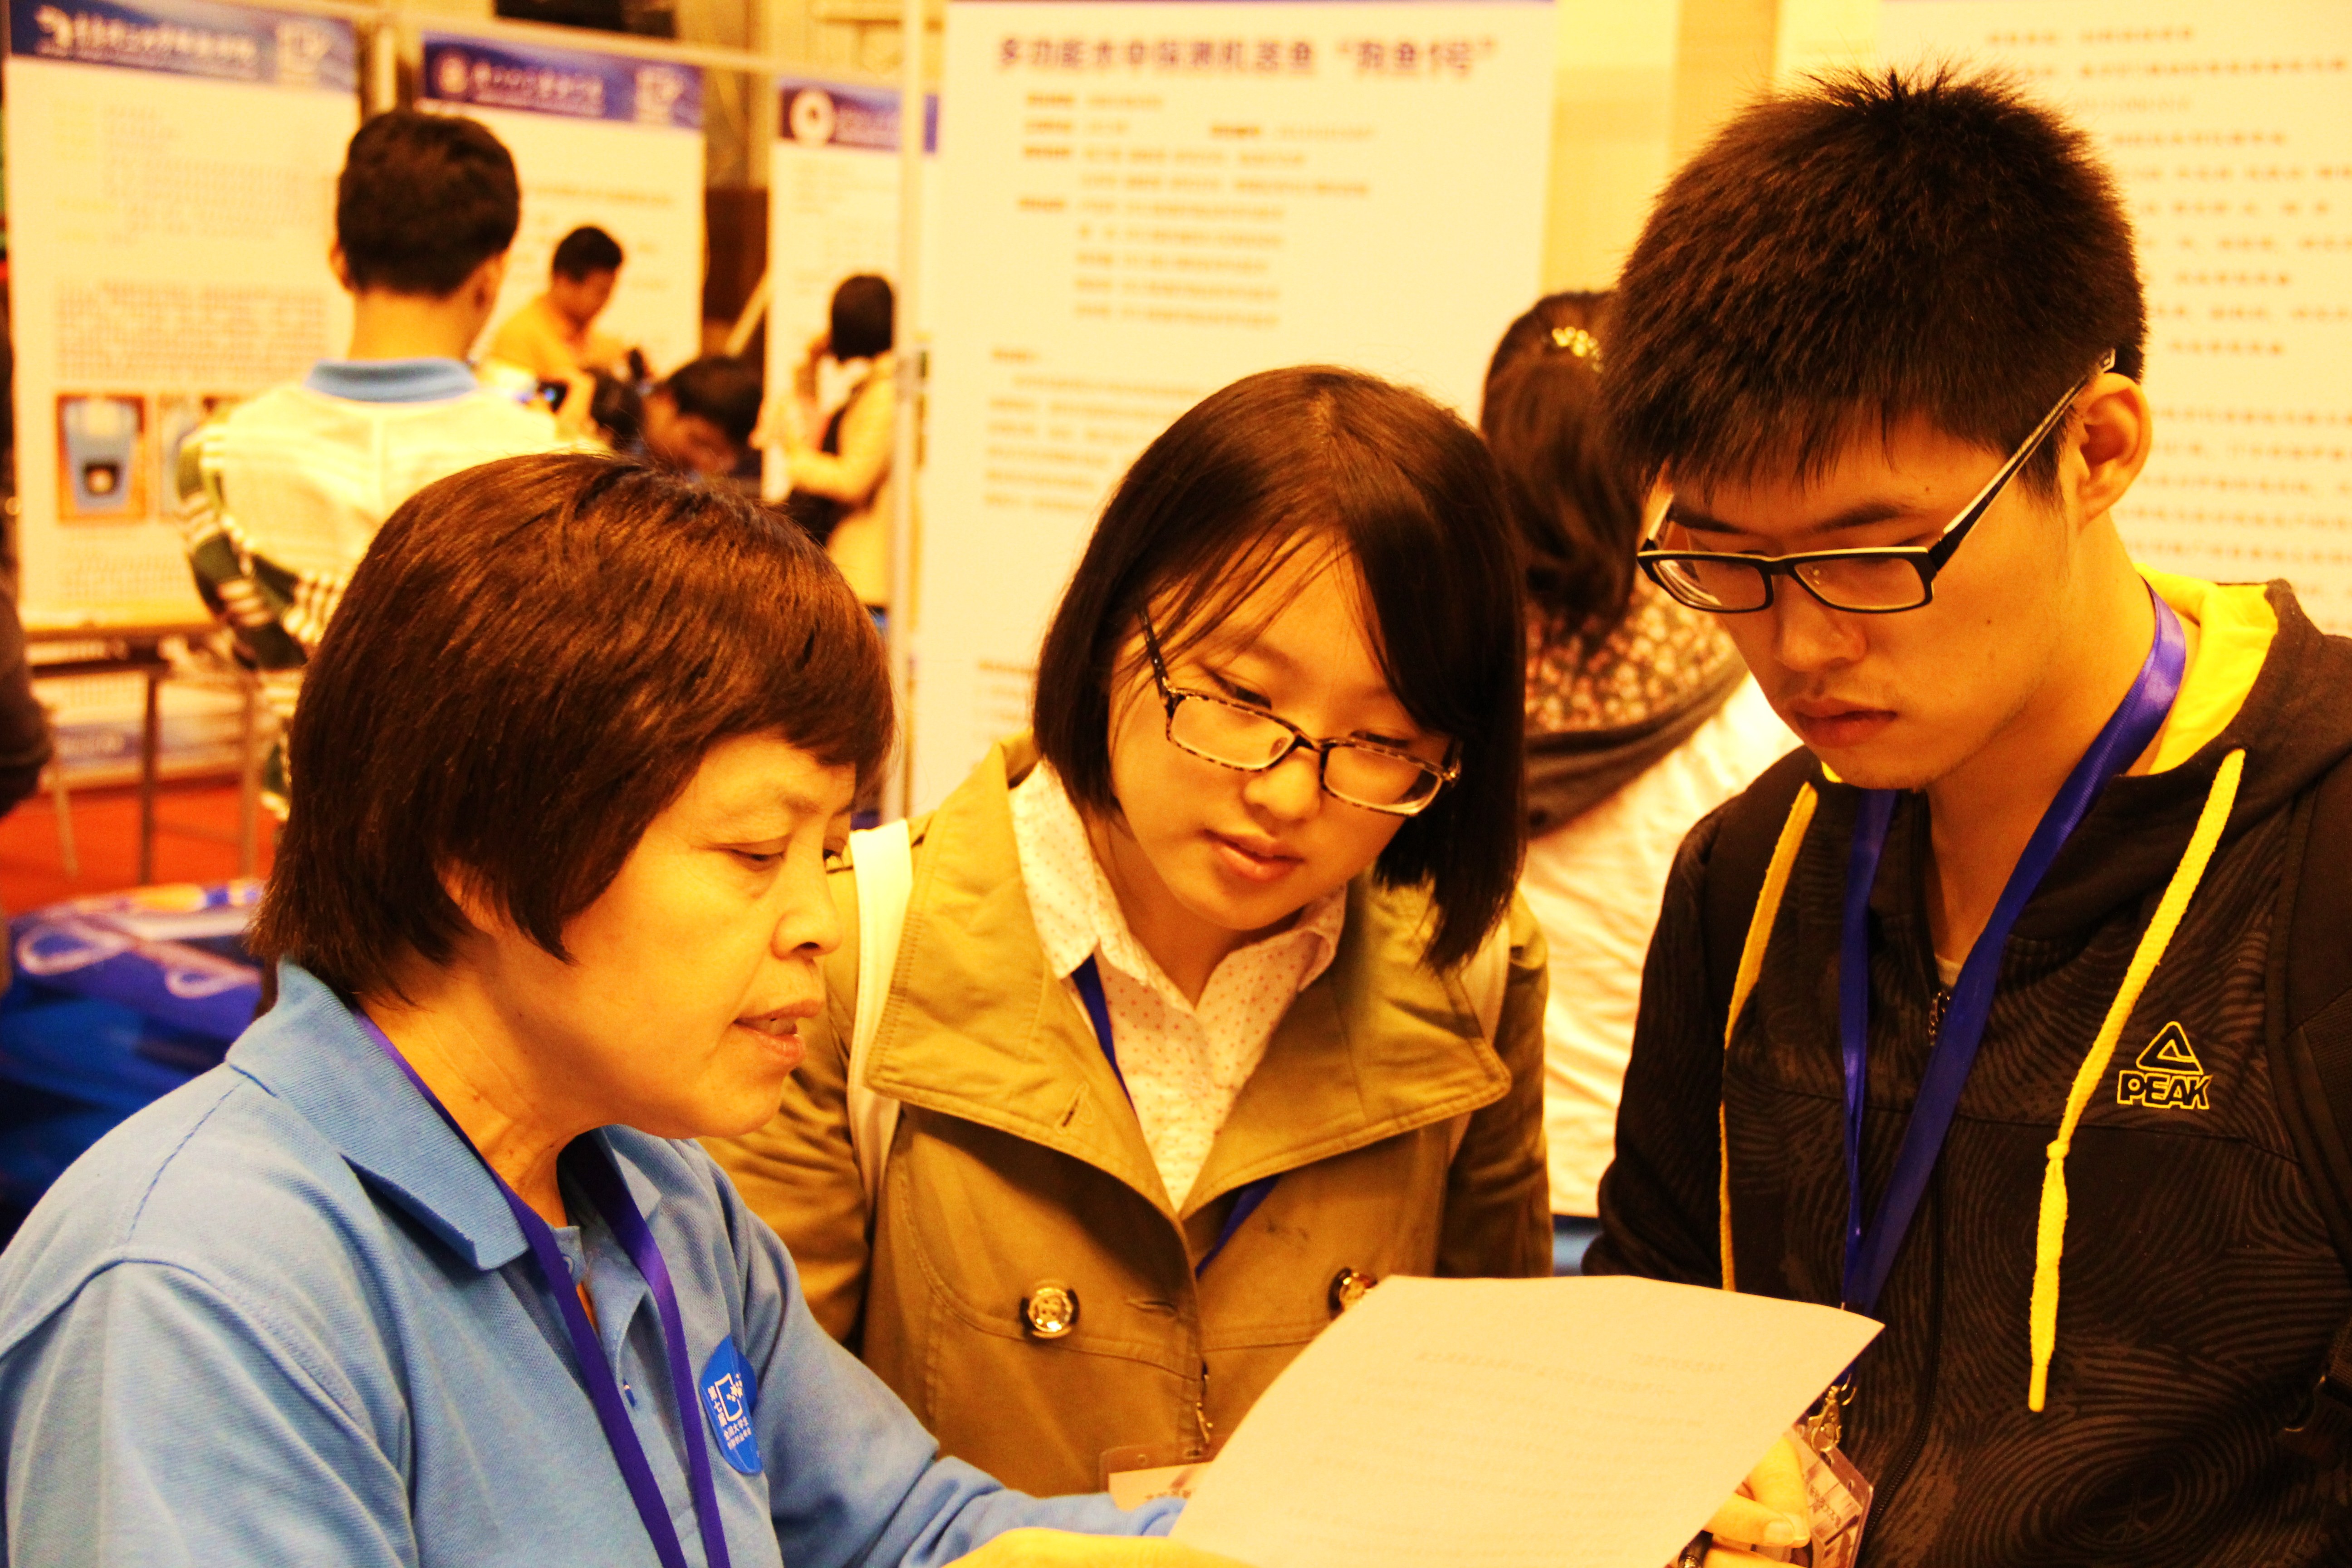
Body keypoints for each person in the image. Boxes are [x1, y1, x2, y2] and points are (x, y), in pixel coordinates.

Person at [0, 453, 1243, 1568]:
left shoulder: (654, 1191)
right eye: (755, 851)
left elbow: (904, 1531)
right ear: (485, 853)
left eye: (828, 847)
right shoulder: (199, 1295)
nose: (818, 918)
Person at [1587, 67, 2352, 1563]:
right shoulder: (1751, 869)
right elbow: (1649, 1313)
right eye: (1726, 562)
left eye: (1872, 552)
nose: (1799, 645)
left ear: (2097, 448)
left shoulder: (2317, 855)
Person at [711, 365, 1553, 1499]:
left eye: (1382, 742)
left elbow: (1488, 1427)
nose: (1288, 795)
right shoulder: (850, 951)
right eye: (1241, 700)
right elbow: (760, 1474)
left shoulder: (1473, 972)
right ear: (1114, 625)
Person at [1480, 293, 1793, 1276]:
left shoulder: (1433, 689)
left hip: (1457, 1175)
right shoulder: (1756, 710)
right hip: (1648, 1194)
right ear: (1665, 464)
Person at [175, 109, 571, 815]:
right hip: (485, 843)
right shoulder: (559, 471)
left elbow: (249, 640)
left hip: (312, 834)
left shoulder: (211, 457)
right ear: (492, 275)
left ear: (338, 258)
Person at [776, 274, 897, 609]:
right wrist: (810, 365)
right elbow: (819, 434)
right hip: (854, 561)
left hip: (867, 568)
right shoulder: (876, 387)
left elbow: (852, 480)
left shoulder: (886, 393)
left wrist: (796, 459)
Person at [485, 222, 631, 389]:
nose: (606, 302)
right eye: (601, 292)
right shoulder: (517, 338)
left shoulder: (606, 347)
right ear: (564, 281)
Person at [642, 354, 765, 480]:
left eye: (717, 458)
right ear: (666, 401)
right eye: (699, 442)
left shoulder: (682, 478)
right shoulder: (628, 423)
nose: (701, 463)